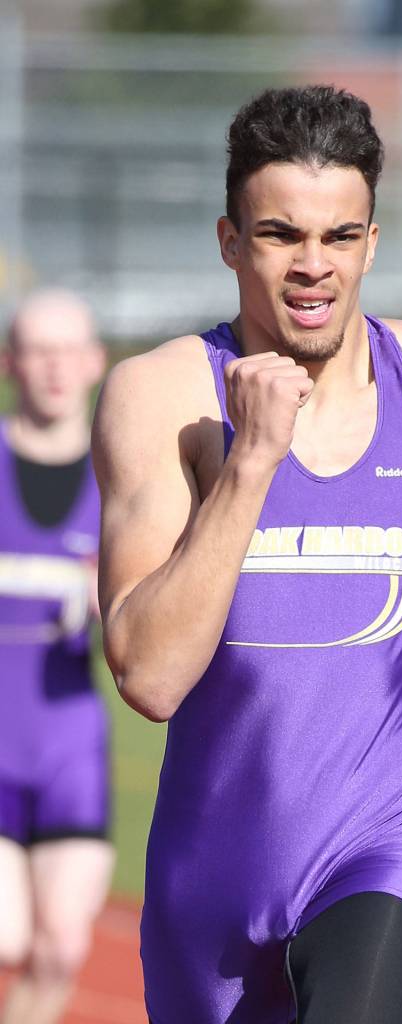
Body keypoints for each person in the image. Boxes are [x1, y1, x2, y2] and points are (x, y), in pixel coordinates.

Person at [93, 85, 402, 1024]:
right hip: (212, 871)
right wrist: (250, 464)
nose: (314, 267)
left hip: (388, 835)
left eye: (340, 237)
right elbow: (149, 675)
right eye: (281, 236)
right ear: (230, 242)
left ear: (371, 244)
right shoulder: (163, 399)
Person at [0, 290, 113, 1024]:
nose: (55, 368)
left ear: (96, 362)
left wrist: (121, 600)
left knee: (61, 949)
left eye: (69, 351)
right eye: (39, 351)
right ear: (10, 363)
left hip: (70, 747)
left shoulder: (123, 475)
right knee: (7, 938)